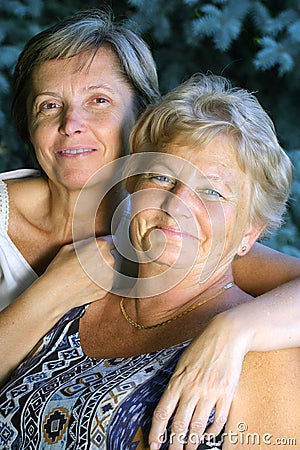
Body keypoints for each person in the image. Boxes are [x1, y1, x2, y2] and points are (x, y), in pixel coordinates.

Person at [0, 8, 300, 445]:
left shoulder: (173, 244)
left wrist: (235, 331)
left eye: (99, 100)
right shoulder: (92, 279)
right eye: (50, 105)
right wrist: (51, 292)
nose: (71, 124)